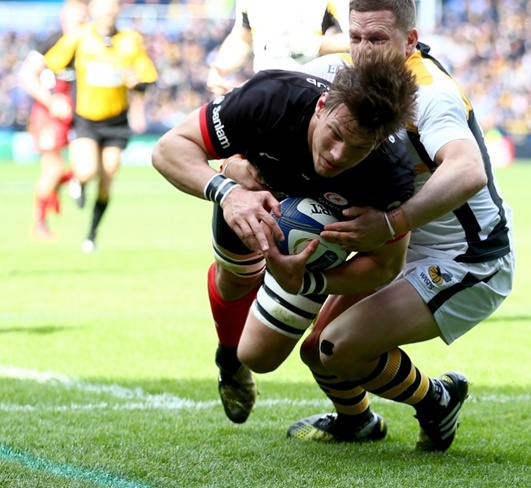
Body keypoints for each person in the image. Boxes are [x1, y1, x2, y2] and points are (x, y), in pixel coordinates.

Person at [270, 0, 513, 452]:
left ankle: (437, 400)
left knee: (337, 348)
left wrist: (391, 222)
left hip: (467, 259)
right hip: (399, 247)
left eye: (378, 40)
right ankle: (357, 422)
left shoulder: (430, 93)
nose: (364, 52)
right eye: (356, 38)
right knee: (316, 350)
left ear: (410, 41)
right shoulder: (351, 79)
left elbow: (468, 170)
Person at [152, 49, 418, 431]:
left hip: (312, 248)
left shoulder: (391, 174)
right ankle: (228, 361)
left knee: (260, 356)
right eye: (336, 134)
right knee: (235, 282)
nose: (338, 155)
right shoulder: (271, 96)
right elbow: (168, 149)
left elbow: (386, 266)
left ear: (376, 143)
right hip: (247, 195)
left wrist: (311, 281)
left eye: (358, 147)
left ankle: (385, 410)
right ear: (322, 105)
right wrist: (228, 190)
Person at [44, 0, 158, 252]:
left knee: (107, 178)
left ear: (119, 9)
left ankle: (91, 234)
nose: (108, 9)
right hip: (85, 118)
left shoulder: (131, 39)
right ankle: (79, 182)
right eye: (102, 4)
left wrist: (135, 82)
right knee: (86, 171)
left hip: (116, 121)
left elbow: (147, 77)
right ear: (92, 9)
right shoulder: (79, 36)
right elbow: (53, 63)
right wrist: (58, 94)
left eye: (113, 4)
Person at [18, 0, 89, 241]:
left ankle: (58, 188)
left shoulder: (91, 42)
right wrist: (51, 102)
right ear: (63, 14)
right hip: (49, 116)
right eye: (73, 10)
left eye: (82, 10)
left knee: (87, 166)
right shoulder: (51, 41)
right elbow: (27, 76)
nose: (78, 15)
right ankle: (39, 223)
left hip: (80, 114)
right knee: (54, 168)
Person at [206, 0, 350, 97]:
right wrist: (218, 70)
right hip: (266, 91)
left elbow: (359, 39)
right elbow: (243, 36)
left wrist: (314, 44)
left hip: (317, 95)